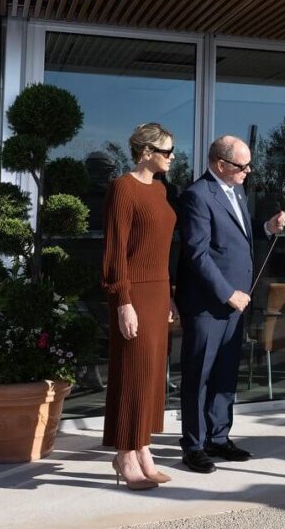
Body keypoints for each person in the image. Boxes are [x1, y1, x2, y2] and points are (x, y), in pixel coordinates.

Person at [175, 136, 285, 473]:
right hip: (209, 303)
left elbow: (237, 233)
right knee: (199, 376)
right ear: (221, 164)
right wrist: (227, 293)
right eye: (242, 166)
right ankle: (193, 446)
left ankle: (219, 437)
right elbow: (197, 253)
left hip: (236, 304)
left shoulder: (235, 189)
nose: (248, 171)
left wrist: (265, 227)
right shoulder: (196, 196)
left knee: (225, 374)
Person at [101, 123, 179, 490]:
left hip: (158, 291)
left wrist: (169, 297)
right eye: (166, 151)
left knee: (151, 375)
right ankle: (125, 454)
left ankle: (144, 448)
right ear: (146, 152)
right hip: (134, 294)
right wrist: (123, 301)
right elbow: (116, 250)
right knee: (133, 372)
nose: (172, 157)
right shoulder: (123, 188)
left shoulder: (161, 191)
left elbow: (160, 250)